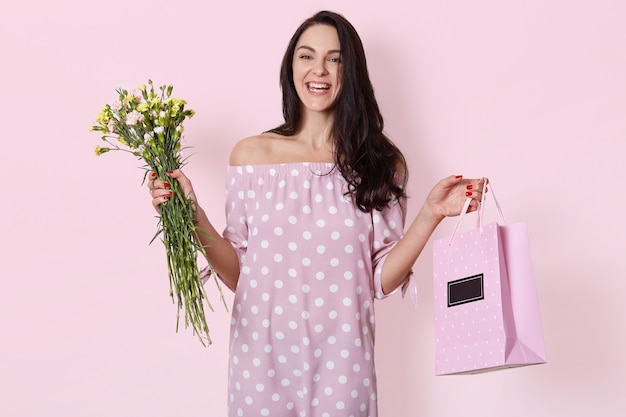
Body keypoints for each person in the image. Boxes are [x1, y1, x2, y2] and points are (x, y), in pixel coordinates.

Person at [149, 10, 484, 417]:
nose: (319, 69)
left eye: (335, 58)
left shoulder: (379, 163)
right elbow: (239, 272)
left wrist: (432, 213)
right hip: (261, 361)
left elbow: (378, 278)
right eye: (306, 56)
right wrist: (190, 212)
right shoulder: (252, 155)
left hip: (344, 361)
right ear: (291, 66)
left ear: (351, 70)